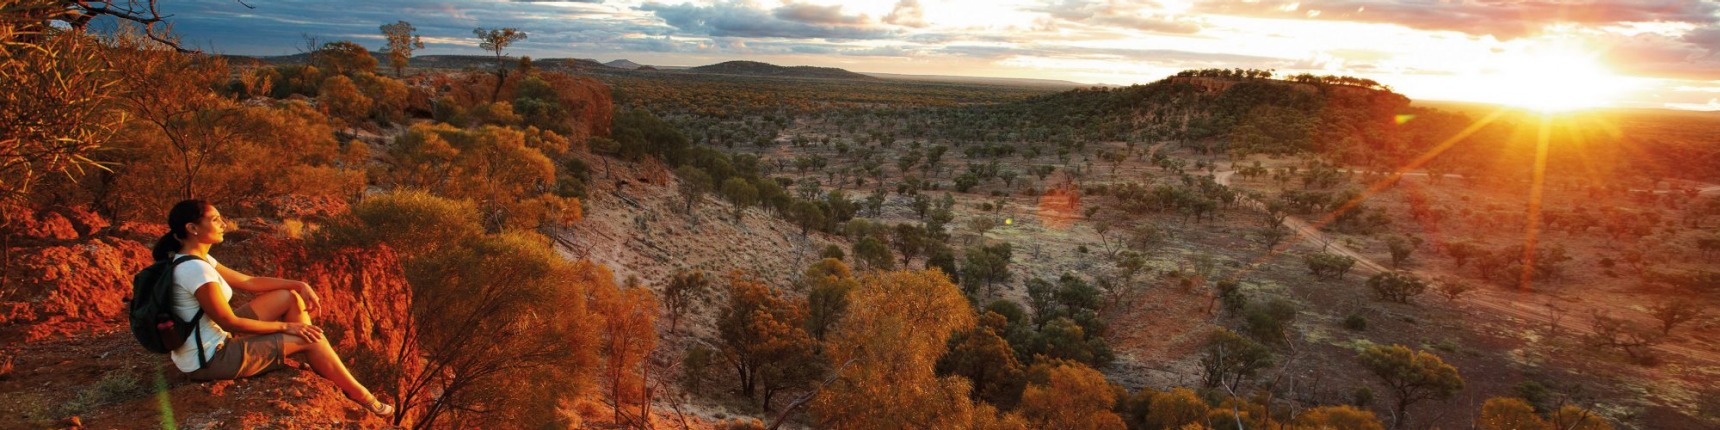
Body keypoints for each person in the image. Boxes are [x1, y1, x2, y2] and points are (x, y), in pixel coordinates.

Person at [152, 199, 393, 417]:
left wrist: (299, 285)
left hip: (214, 338)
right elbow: (229, 322)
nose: (223, 224)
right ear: (192, 228)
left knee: (287, 297)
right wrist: (288, 327)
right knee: (314, 339)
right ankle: (362, 396)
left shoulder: (196, 259)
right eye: (215, 220)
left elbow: (249, 282)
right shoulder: (196, 270)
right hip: (211, 359)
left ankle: (304, 352)